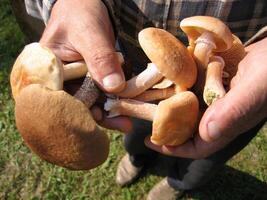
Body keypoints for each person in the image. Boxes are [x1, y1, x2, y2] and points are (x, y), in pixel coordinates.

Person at [17, 0, 267, 199]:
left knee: (208, 152)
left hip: (244, 80)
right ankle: (137, 159)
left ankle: (179, 182)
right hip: (134, 64)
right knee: (137, 135)